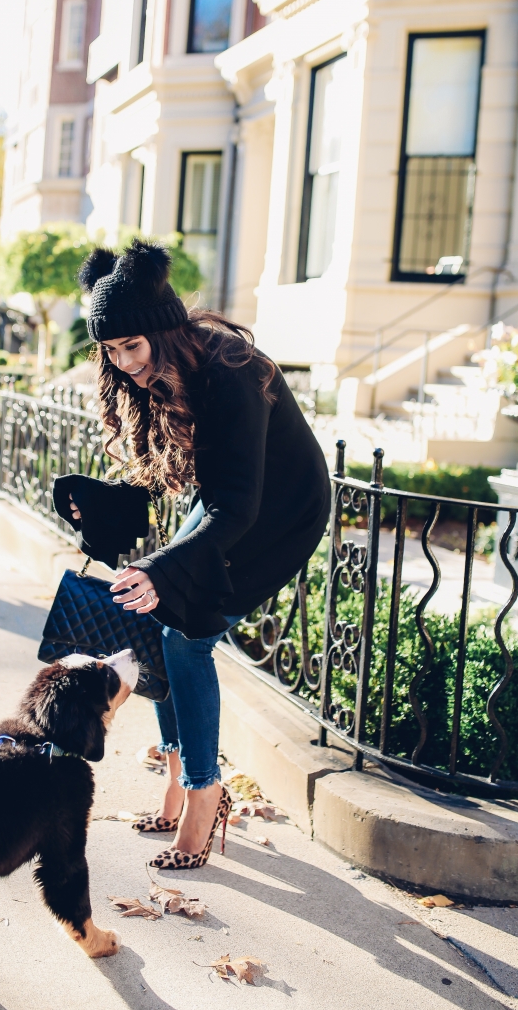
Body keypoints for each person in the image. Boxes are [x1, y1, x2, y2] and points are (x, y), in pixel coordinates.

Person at [71, 239, 330, 870]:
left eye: (132, 346)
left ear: (161, 330)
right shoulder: (155, 367)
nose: (124, 362)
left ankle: (204, 794)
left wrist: (164, 567)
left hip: (281, 512)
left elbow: (238, 506)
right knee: (155, 627)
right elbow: (169, 473)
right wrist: (101, 510)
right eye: (110, 350)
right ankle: (175, 776)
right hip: (228, 501)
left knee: (187, 636)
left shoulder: (232, 369)